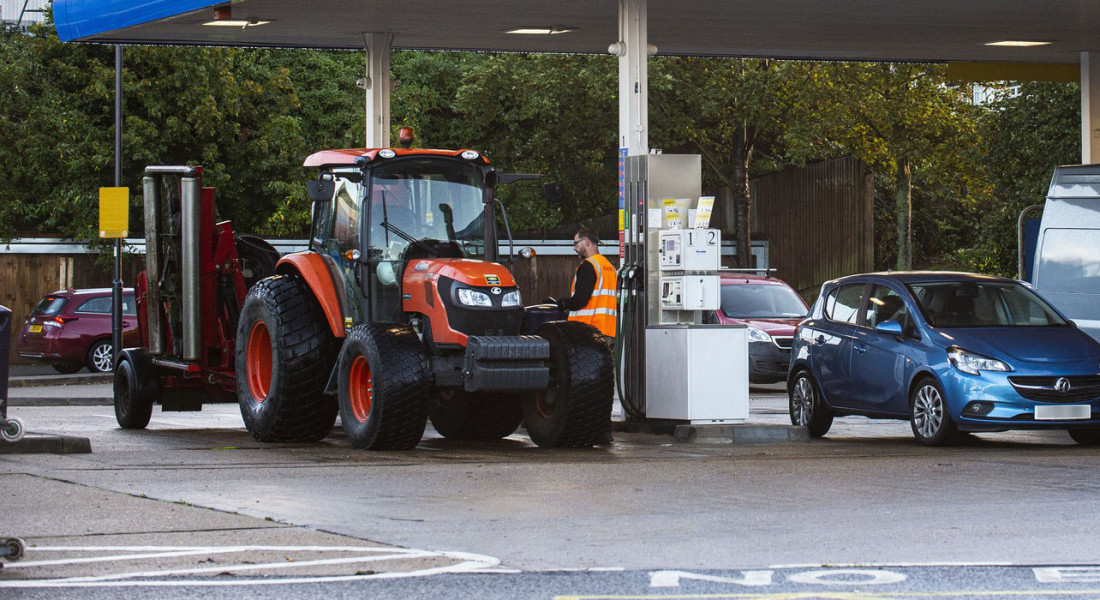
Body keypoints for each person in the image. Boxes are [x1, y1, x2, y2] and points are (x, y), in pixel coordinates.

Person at [552, 228, 618, 348]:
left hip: (588, 331)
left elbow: (580, 300)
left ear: (586, 242)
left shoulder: (589, 266)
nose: (574, 248)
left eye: (576, 243)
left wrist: (563, 304)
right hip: (609, 330)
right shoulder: (609, 267)